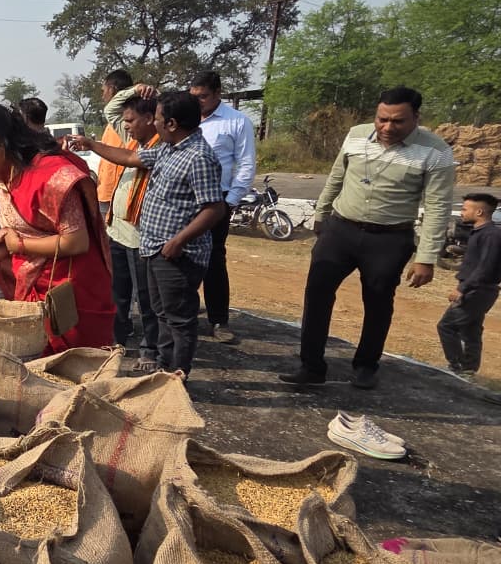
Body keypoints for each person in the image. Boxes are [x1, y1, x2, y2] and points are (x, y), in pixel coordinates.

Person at [279, 86, 455, 390]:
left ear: (416, 117)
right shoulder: (357, 134)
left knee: (377, 302)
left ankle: (365, 365)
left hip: (388, 239)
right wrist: (321, 217)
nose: (387, 128)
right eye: (381, 119)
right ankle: (311, 366)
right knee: (317, 295)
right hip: (340, 229)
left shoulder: (436, 151)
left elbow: (438, 207)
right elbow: (337, 176)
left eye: (397, 121)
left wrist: (426, 257)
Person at [74, 91, 225, 380]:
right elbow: (130, 156)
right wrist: (92, 144)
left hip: (178, 253)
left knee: (179, 318)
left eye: (155, 118)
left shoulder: (198, 157)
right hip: (155, 248)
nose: (153, 124)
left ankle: (177, 375)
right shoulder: (171, 148)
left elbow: (214, 208)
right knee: (162, 314)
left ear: (170, 123)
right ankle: (165, 371)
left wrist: (179, 240)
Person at [0, 105, 115, 353]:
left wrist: (21, 245)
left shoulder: (54, 176)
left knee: (74, 368)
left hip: (70, 293)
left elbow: (77, 242)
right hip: (34, 291)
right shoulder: (6, 178)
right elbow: (9, 238)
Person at [190, 71, 256, 343]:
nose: (198, 102)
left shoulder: (236, 122)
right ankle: (185, 315)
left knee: (214, 261)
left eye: (203, 96)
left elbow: (246, 164)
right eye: (193, 97)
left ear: (218, 93)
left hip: (217, 201)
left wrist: (229, 203)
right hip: (185, 202)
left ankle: (219, 321)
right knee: (181, 259)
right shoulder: (185, 119)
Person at [104, 90, 162, 371]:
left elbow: (128, 160)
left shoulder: (159, 145)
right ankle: (117, 340)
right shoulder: (134, 141)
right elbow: (111, 111)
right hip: (118, 230)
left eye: (131, 120)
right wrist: (135, 89)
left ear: (151, 119)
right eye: (125, 121)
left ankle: (149, 348)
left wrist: (90, 144)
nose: (125, 125)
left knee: (146, 297)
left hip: (141, 236)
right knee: (118, 292)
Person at [438, 193, 501, 380]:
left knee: (447, 326)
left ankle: (456, 367)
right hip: (481, 290)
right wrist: (464, 251)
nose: (461, 212)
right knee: (471, 330)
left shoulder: (491, 235)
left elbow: (485, 267)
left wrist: (462, 289)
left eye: (465, 209)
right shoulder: (481, 233)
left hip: (476, 291)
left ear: (479, 211)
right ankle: (468, 370)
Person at [95, 69, 137, 214]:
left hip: (120, 188)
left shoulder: (126, 123)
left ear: (112, 89)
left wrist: (137, 89)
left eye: (103, 90)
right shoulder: (115, 122)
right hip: (107, 190)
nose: (102, 95)